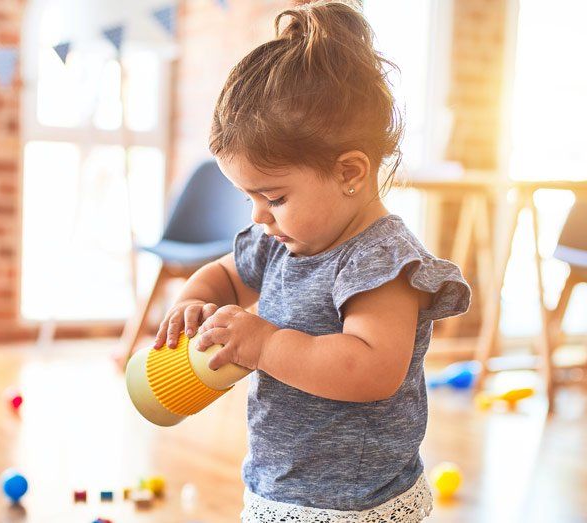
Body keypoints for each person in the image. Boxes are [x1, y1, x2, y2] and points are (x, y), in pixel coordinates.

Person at [152, 1, 472, 521]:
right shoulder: (281, 240)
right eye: (249, 198)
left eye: (274, 197)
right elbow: (225, 278)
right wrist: (195, 301)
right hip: (278, 485)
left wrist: (266, 343)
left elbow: (370, 369)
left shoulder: (381, 261)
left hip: (358, 505)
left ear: (350, 172)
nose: (260, 216)